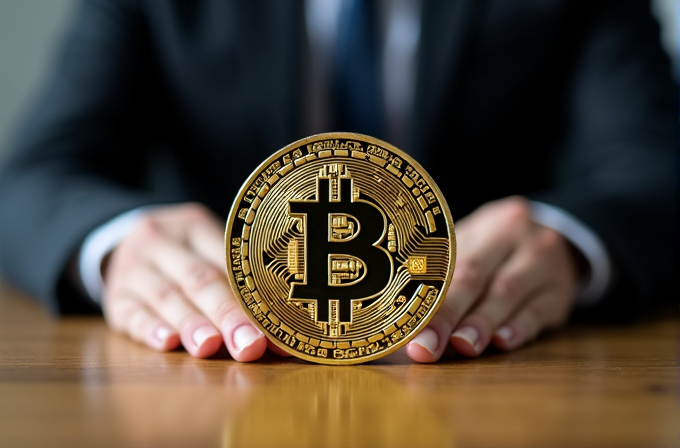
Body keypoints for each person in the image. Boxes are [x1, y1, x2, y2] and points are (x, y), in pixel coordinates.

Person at [0, 0, 676, 363]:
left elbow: (657, 167)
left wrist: (567, 241)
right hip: (235, 359)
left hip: (474, 355)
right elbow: (35, 175)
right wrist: (119, 243)